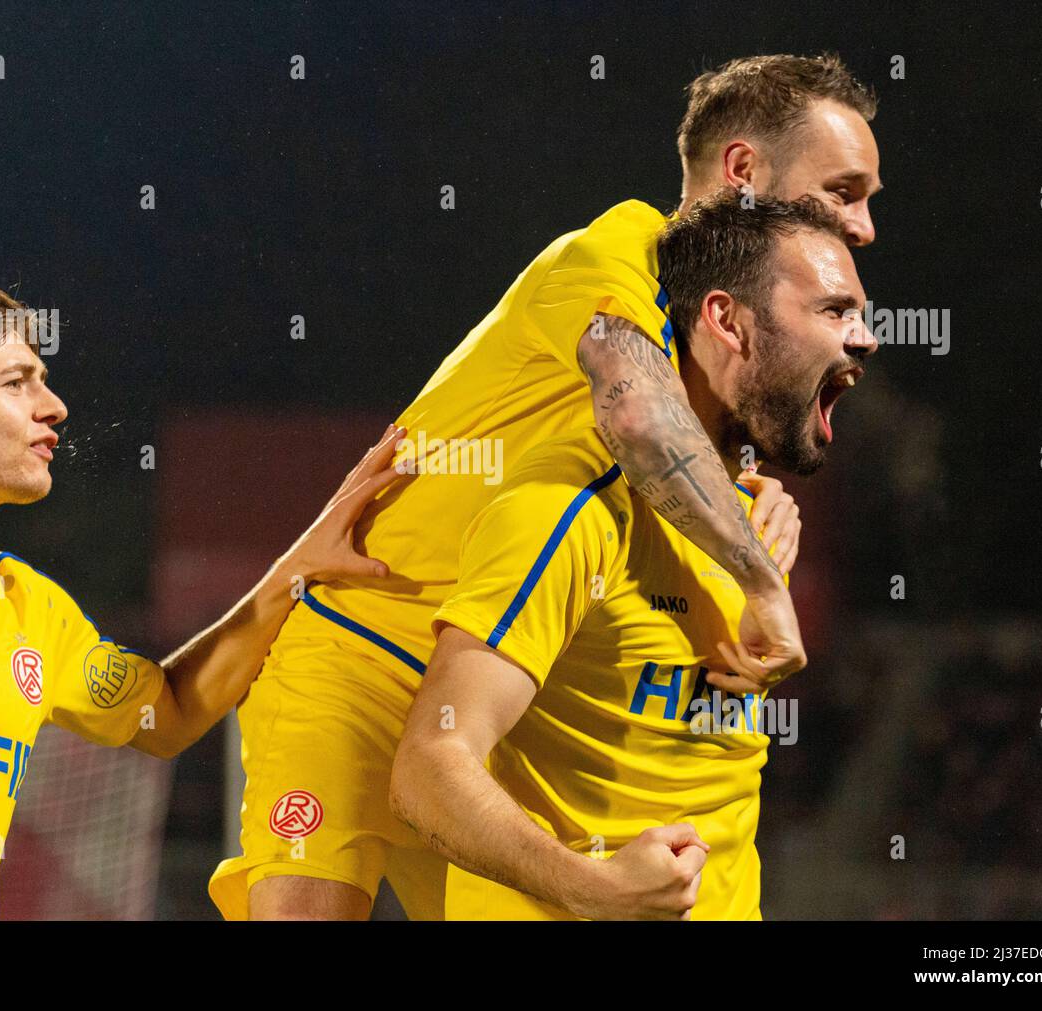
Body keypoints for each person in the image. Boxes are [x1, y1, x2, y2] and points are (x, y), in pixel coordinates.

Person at [209, 53, 883, 920]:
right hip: (362, 659)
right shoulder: (617, 255)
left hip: (506, 691)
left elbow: (713, 414)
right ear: (744, 172)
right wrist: (758, 576)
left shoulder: (709, 334)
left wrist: (750, 492)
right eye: (844, 189)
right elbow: (639, 414)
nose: (862, 225)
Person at [0, 281, 403, 920]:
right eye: (15, 382)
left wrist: (295, 570)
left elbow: (166, 712)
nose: (53, 407)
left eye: (44, 380)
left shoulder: (31, 608)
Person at [391, 192, 879, 919]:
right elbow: (427, 769)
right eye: (835, 310)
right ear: (727, 321)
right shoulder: (570, 506)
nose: (866, 337)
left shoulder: (750, 521)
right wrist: (591, 888)